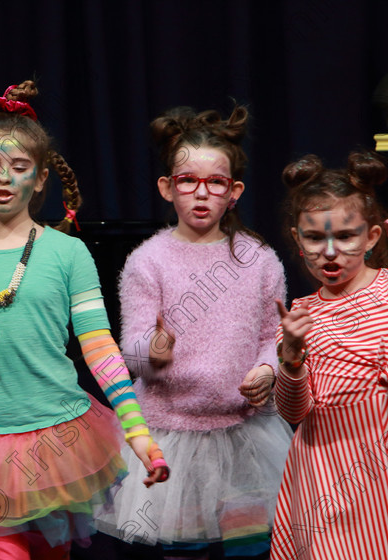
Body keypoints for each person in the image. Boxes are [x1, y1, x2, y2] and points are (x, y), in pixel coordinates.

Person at [0, 80, 169, 560]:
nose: (4, 177)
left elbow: (99, 348)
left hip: (56, 440)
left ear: (41, 178)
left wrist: (137, 431)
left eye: (19, 167)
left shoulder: (68, 253)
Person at [95, 105, 293, 560]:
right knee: (185, 544)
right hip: (171, 433)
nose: (201, 194)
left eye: (216, 182)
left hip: (244, 434)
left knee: (249, 545)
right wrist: (154, 350)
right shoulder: (148, 261)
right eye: (188, 180)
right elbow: (131, 353)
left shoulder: (259, 259)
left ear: (234, 191)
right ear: (168, 187)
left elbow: (272, 335)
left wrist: (267, 369)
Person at [272, 151, 388, 559]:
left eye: (346, 236)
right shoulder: (300, 313)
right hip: (321, 474)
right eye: (315, 238)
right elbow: (293, 412)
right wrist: (291, 356)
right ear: (297, 239)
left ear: (373, 236)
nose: (331, 252)